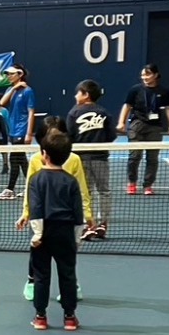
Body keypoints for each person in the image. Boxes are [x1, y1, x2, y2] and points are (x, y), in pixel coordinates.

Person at [17, 115, 92, 303]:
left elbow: (81, 189)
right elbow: (30, 188)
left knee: (67, 256)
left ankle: (72, 285)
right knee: (36, 253)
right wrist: (26, 212)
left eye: (58, 135)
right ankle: (32, 281)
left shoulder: (74, 160)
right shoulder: (36, 159)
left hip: (65, 220)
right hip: (41, 218)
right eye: (50, 136)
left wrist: (87, 213)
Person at [23, 130, 84, 331]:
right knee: (68, 274)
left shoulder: (36, 179)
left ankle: (40, 317)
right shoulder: (71, 181)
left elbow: (36, 208)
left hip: (44, 233)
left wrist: (38, 234)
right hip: (65, 233)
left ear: (44, 154)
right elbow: (78, 213)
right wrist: (77, 238)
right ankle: (70, 317)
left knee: (41, 276)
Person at [118, 63, 169, 196]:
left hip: (155, 127)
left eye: (147, 74)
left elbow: (168, 108)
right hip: (137, 125)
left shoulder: (163, 91)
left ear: (155, 75)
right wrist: (121, 122)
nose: (144, 77)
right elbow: (127, 106)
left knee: (152, 158)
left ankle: (148, 185)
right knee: (134, 156)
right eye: (143, 75)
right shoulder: (135, 90)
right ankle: (132, 183)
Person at [68, 79, 114, 238]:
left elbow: (69, 135)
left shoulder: (74, 113)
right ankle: (103, 224)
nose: (75, 96)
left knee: (85, 192)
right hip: (100, 158)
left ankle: (88, 225)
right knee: (104, 191)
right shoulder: (104, 112)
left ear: (86, 95)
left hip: (80, 158)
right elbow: (111, 135)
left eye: (78, 93)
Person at [0, 64, 36, 199]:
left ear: (20, 74)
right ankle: (30, 187)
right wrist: (13, 88)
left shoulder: (28, 91)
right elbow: (1, 103)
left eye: (11, 74)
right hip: (13, 131)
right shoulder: (11, 89)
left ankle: (10, 190)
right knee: (21, 160)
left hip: (22, 130)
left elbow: (31, 112)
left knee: (15, 159)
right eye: (8, 74)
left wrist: (29, 133)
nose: (9, 76)